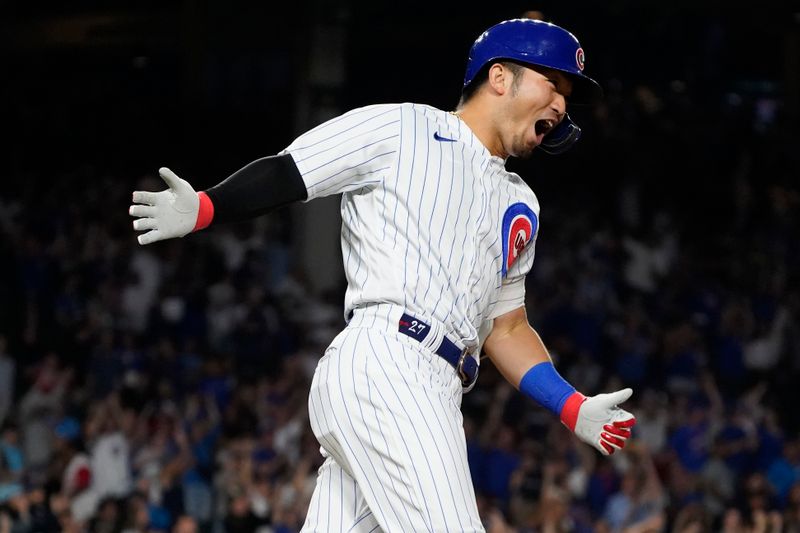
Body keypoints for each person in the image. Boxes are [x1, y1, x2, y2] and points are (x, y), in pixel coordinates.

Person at [129, 18, 637, 532]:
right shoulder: (402, 127)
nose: (561, 105)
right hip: (390, 362)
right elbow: (291, 171)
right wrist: (206, 207)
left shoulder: (520, 202)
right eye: (554, 85)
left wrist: (569, 404)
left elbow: (505, 329)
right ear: (500, 78)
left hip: (435, 385)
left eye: (567, 95)